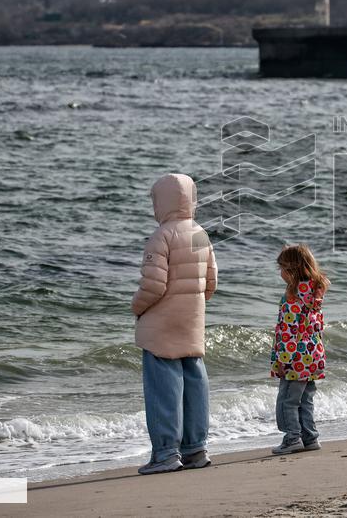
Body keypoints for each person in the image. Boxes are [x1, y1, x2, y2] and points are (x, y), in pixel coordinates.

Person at [131, 173, 218, 474]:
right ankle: (195, 449)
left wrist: (136, 308)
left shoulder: (162, 235)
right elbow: (211, 282)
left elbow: (153, 286)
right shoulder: (200, 233)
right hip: (192, 319)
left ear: (162, 201)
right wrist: (194, 304)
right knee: (195, 382)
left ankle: (166, 453)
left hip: (162, 325)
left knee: (163, 387)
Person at [270, 244, 329, 455]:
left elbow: (290, 330)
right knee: (305, 398)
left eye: (282, 269)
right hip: (313, 354)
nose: (281, 274)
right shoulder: (314, 293)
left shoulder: (293, 297)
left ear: (291, 270)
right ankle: (310, 437)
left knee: (288, 400)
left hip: (294, 356)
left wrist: (282, 361)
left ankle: (292, 438)